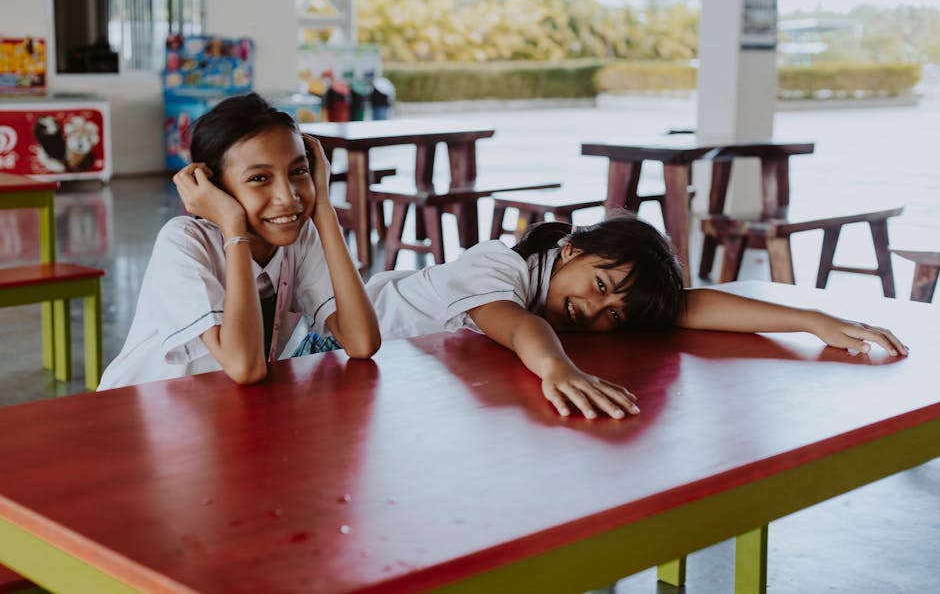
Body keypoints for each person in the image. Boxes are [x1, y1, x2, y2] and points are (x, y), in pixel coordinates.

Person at [303, 214, 907, 419]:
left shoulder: (578, 301)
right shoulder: (498, 266)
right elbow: (516, 324)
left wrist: (811, 320)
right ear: (569, 249)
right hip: (317, 358)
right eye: (598, 286)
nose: (594, 310)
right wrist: (556, 369)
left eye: (613, 314)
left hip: (386, 383)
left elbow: (684, 305)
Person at [98, 93, 380, 389]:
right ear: (213, 186)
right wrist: (234, 229)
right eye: (259, 178)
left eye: (298, 171)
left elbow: (362, 341)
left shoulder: (301, 238)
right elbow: (246, 366)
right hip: (134, 409)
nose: (288, 197)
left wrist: (323, 206)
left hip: (222, 408)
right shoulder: (184, 243)